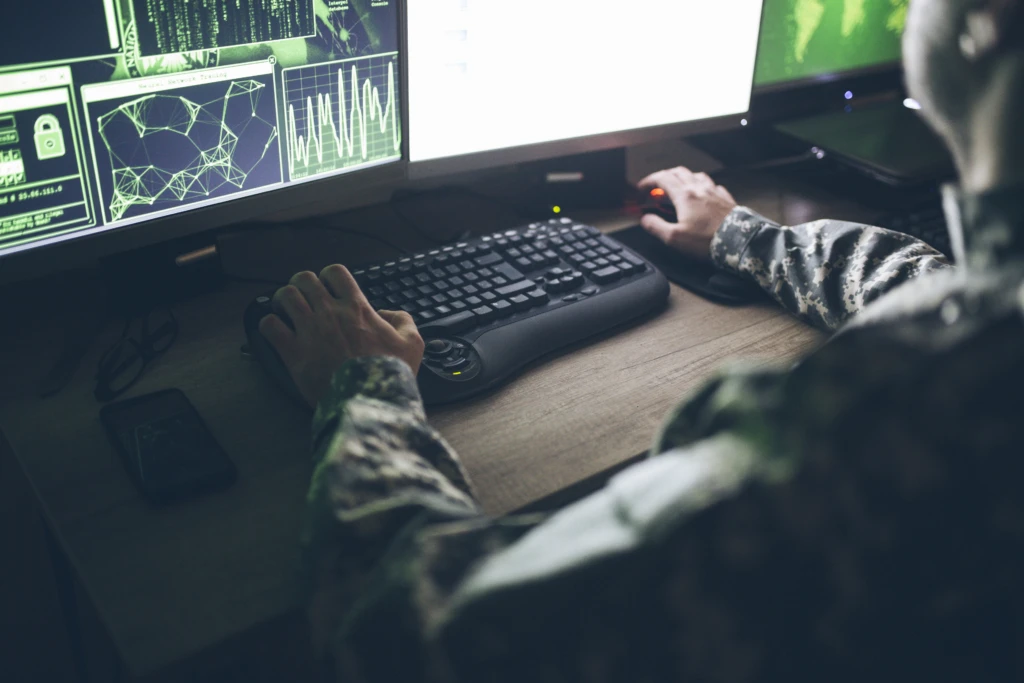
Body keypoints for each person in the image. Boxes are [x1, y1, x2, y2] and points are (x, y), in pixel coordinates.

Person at [258, 0, 1024, 678]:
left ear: (983, 27)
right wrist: (747, 238)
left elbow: (410, 637)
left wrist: (364, 388)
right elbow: (948, 289)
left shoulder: (884, 431)